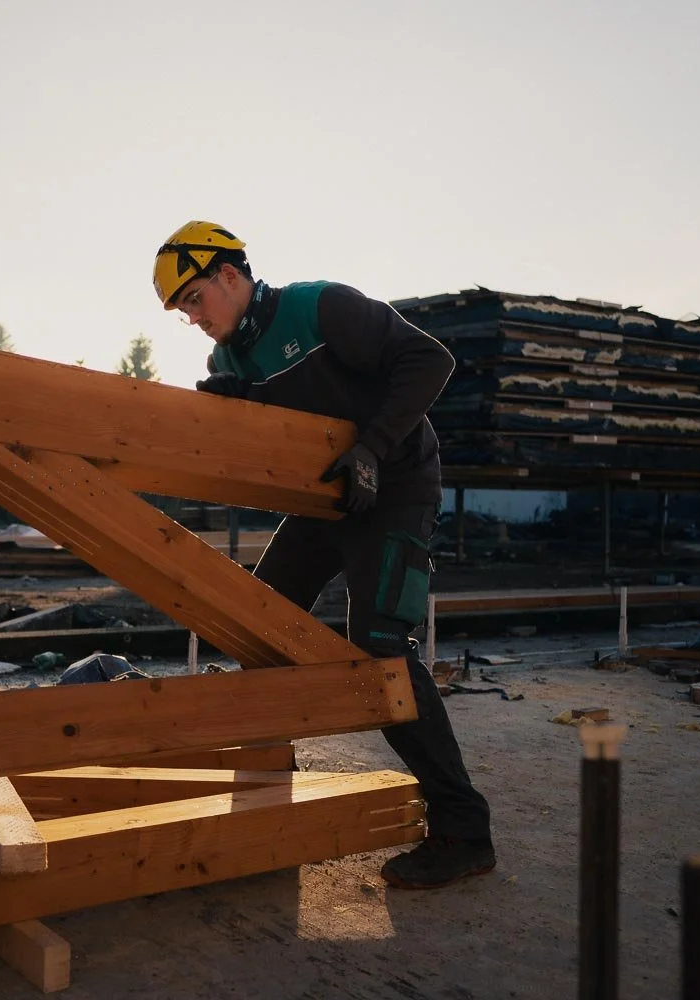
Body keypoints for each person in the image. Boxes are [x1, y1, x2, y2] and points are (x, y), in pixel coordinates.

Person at [152, 220, 495, 889]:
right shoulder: (227, 364)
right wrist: (240, 410)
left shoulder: (321, 308)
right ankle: (265, 796)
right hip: (325, 501)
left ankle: (464, 829)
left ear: (230, 275)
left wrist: (372, 448)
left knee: (379, 646)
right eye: (181, 311)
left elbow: (431, 361)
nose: (193, 318)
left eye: (194, 299)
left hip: (395, 485)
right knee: (259, 623)